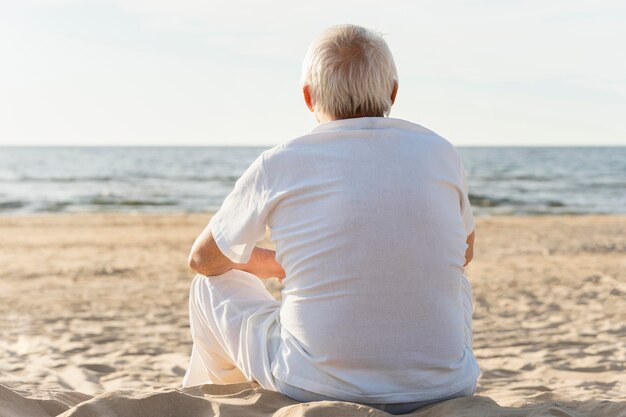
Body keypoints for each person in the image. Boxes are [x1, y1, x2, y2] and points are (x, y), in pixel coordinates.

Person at [183, 24, 480, 415]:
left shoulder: (281, 162)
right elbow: (463, 254)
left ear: (308, 96)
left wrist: (274, 264)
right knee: (454, 280)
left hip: (314, 383)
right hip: (446, 385)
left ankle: (218, 397)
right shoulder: (440, 152)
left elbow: (203, 260)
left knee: (209, 287)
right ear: (393, 91)